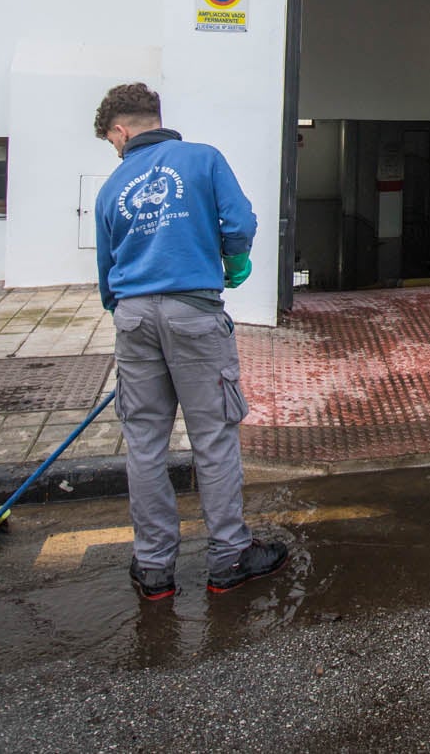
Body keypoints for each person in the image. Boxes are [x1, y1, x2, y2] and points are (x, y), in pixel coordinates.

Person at [93, 82, 286, 600]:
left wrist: (134, 323)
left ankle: (154, 567)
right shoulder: (203, 159)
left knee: (145, 443)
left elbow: (106, 272)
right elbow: (239, 220)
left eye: (111, 140)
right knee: (214, 438)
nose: (115, 149)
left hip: (133, 317)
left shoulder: (112, 186)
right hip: (195, 314)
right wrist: (234, 256)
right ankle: (229, 557)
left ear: (121, 129)